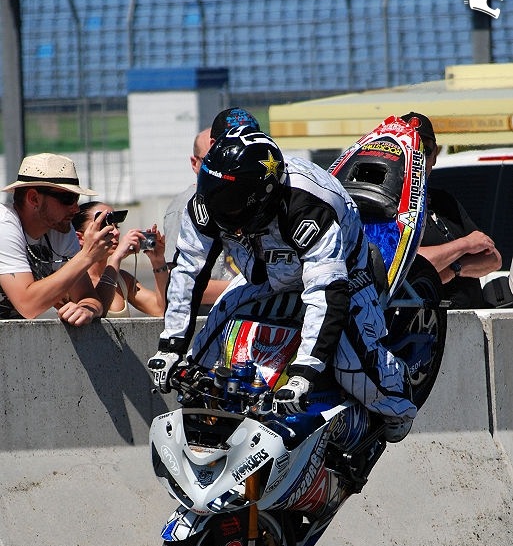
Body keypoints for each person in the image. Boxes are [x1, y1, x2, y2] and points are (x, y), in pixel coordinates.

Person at [148, 126, 417, 442]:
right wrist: (171, 347)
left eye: (230, 201)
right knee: (202, 352)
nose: (217, 207)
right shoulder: (208, 202)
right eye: (212, 191)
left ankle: (399, 401)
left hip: (342, 272)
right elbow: (188, 271)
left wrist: (304, 373)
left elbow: (325, 291)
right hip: (268, 275)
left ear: (261, 196)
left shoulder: (307, 206)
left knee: (352, 365)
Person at [0, 152, 116, 324]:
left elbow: (88, 297)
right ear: (34, 198)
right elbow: (28, 305)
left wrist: (86, 309)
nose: (76, 208)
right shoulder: (4, 224)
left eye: (77, 198)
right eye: (67, 198)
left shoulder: (59, 228)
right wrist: (87, 256)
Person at [401, 112, 502, 309]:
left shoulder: (444, 201)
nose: (419, 158)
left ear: (434, 156)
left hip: (474, 319)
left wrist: (456, 268)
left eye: (425, 151)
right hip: (427, 323)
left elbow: (493, 258)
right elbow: (408, 263)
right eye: (411, 150)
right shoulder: (388, 205)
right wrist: (465, 245)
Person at [163, 107, 260, 306]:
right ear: (195, 163)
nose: (225, 163)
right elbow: (179, 284)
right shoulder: (183, 207)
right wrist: (254, 287)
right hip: (210, 316)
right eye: (212, 157)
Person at [72, 202, 168, 317]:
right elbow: (96, 317)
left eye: (116, 226)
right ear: (80, 238)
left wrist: (158, 261)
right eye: (104, 227)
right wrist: (116, 257)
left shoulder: (122, 279)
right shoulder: (72, 280)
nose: (116, 233)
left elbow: (161, 309)